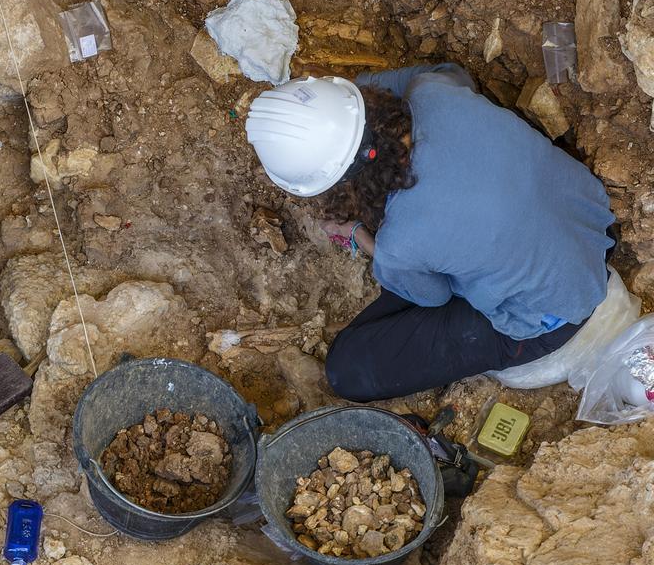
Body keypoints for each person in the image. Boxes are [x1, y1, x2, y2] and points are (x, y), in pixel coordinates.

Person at [245, 64, 615, 401]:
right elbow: (453, 72)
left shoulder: (400, 244)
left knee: (349, 367)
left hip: (558, 311)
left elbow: (434, 297)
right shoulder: (433, 91)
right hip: (588, 221)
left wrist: (360, 234)